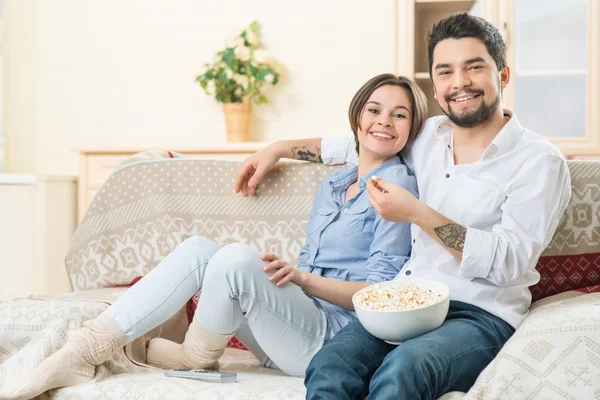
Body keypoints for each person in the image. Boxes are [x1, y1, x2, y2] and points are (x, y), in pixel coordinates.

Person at [0, 73, 428, 400]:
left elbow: (379, 295)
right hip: (289, 326)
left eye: (399, 114)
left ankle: (191, 357)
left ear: (412, 129)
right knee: (202, 250)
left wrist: (299, 279)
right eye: (374, 109)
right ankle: (86, 349)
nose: (384, 122)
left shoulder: (397, 188)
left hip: (330, 341)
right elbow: (330, 147)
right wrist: (276, 148)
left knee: (237, 259)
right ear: (357, 116)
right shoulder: (335, 183)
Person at [233, 13, 571, 400]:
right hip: (402, 301)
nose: (458, 83)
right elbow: (364, 141)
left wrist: (417, 214)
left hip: (479, 313)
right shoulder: (428, 135)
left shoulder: (538, 161)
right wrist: (278, 148)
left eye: (473, 68)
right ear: (436, 82)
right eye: (445, 72)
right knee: (330, 365)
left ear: (503, 75)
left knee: (402, 371)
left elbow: (510, 263)